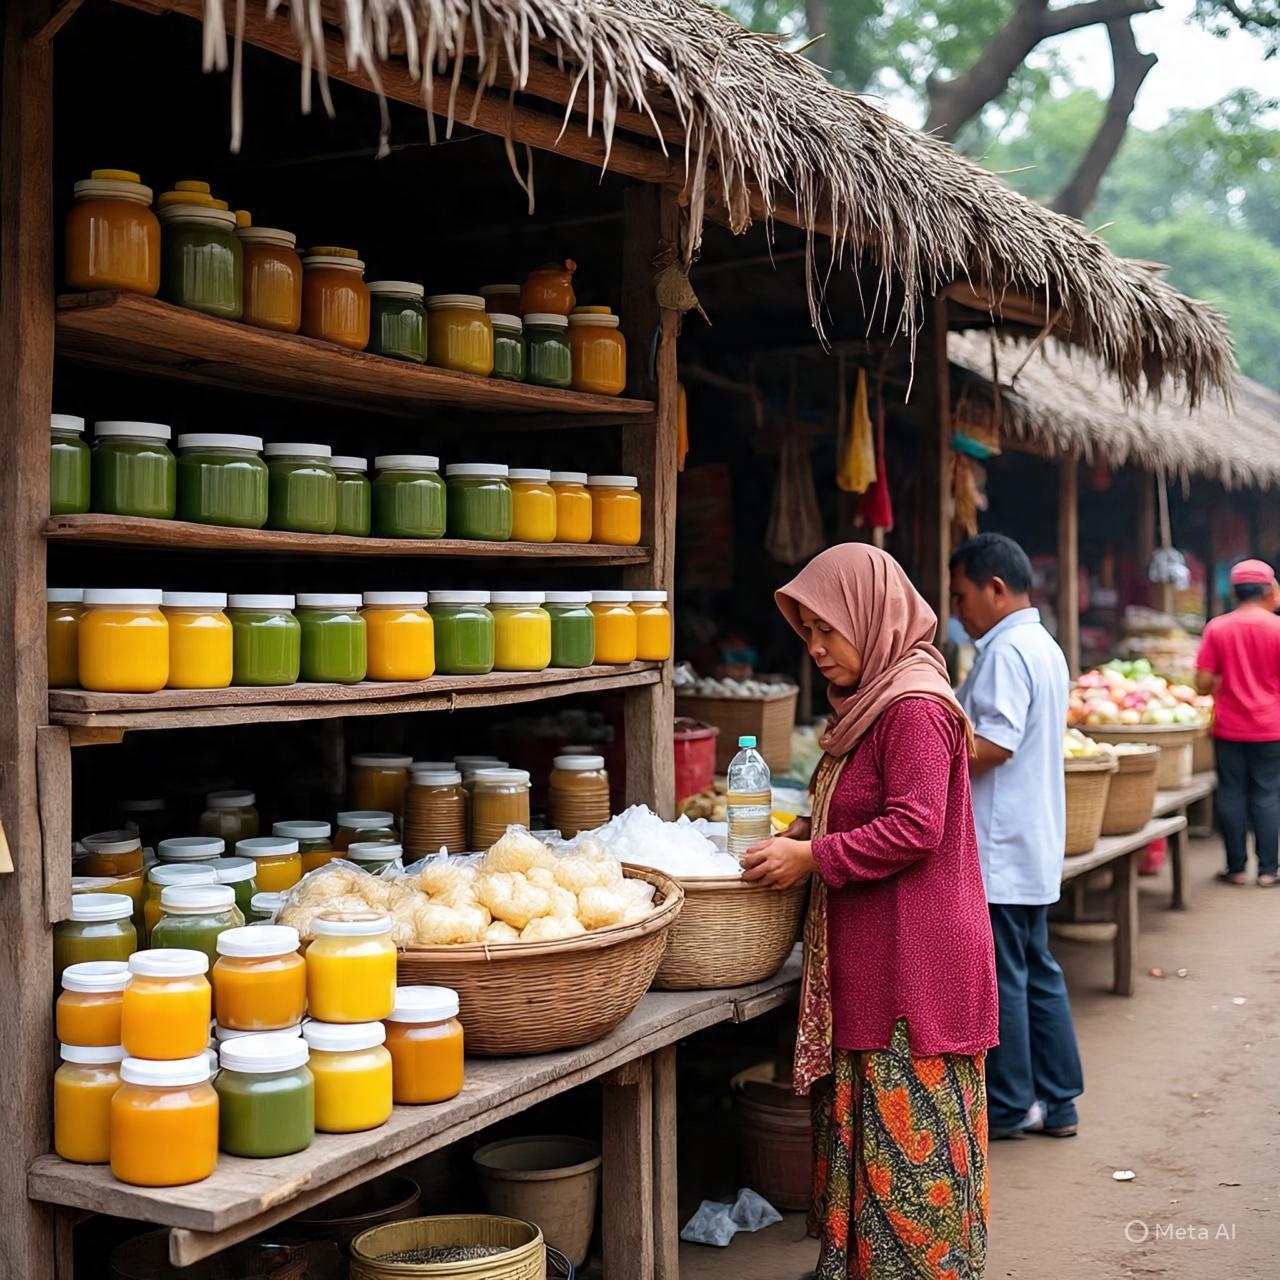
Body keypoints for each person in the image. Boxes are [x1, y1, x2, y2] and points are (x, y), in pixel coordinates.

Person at [742, 543, 997, 1280]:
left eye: (829, 629)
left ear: (872, 616)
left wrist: (813, 859)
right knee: (872, 1129)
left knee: (912, 1141)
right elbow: (858, 807)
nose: (816, 649)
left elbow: (916, 826)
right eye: (808, 633)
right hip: (880, 957)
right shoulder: (868, 707)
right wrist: (803, 832)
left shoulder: (913, 708)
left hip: (915, 966)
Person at [950, 532, 1083, 1141]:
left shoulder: (1006, 651)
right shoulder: (1042, 644)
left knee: (1007, 973)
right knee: (1036, 967)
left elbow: (995, 744)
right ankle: (1058, 1102)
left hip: (1001, 843)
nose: (957, 611)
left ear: (995, 589)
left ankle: (1008, 1105)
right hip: (1030, 837)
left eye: (961, 596)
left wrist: (931, 755)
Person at [1195, 558, 1280, 887]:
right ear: (1268, 590)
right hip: (1271, 727)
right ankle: (1269, 871)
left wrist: (1222, 681)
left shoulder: (1218, 627)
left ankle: (1236, 868)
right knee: (1268, 794)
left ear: (1234, 591)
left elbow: (1202, 681)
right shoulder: (1277, 628)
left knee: (1231, 793)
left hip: (1229, 727)